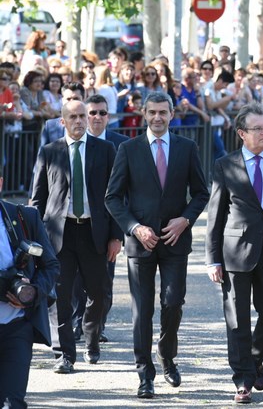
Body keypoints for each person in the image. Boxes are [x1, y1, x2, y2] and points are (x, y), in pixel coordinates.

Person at [105, 92, 209, 399]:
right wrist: (135, 228)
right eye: (152, 112)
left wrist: (185, 220)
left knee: (173, 302)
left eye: (163, 112)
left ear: (172, 114)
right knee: (142, 311)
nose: (158, 117)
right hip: (141, 244)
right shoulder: (128, 148)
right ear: (144, 113)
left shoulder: (187, 148)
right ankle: (144, 373)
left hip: (175, 241)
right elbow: (112, 197)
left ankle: (167, 353)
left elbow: (201, 193)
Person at [206, 103, 263, 404]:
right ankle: (243, 379)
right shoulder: (225, 164)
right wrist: (213, 259)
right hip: (235, 253)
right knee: (238, 320)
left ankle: (255, 359)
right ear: (241, 134)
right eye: (258, 128)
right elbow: (215, 216)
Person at [31, 100, 120, 373]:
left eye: (83, 115)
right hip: (60, 234)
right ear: (63, 121)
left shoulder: (106, 150)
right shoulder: (49, 151)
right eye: (74, 116)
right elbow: (37, 200)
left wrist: (116, 237)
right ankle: (64, 355)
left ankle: (92, 340)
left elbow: (117, 196)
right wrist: (37, 240)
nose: (80, 121)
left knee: (99, 293)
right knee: (60, 295)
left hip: (95, 233)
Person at [71, 95, 129, 343]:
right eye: (91, 112)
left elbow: (121, 194)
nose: (96, 118)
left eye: (101, 113)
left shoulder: (120, 145)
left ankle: (97, 326)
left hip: (103, 228)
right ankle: (76, 324)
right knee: (74, 281)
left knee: (103, 282)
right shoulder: (65, 145)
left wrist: (118, 235)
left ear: (108, 116)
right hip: (73, 226)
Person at [0, 177, 59, 409]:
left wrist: (33, 291)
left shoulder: (24, 217)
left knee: (12, 403)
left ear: (1, 183)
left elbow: (51, 266)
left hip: (17, 328)